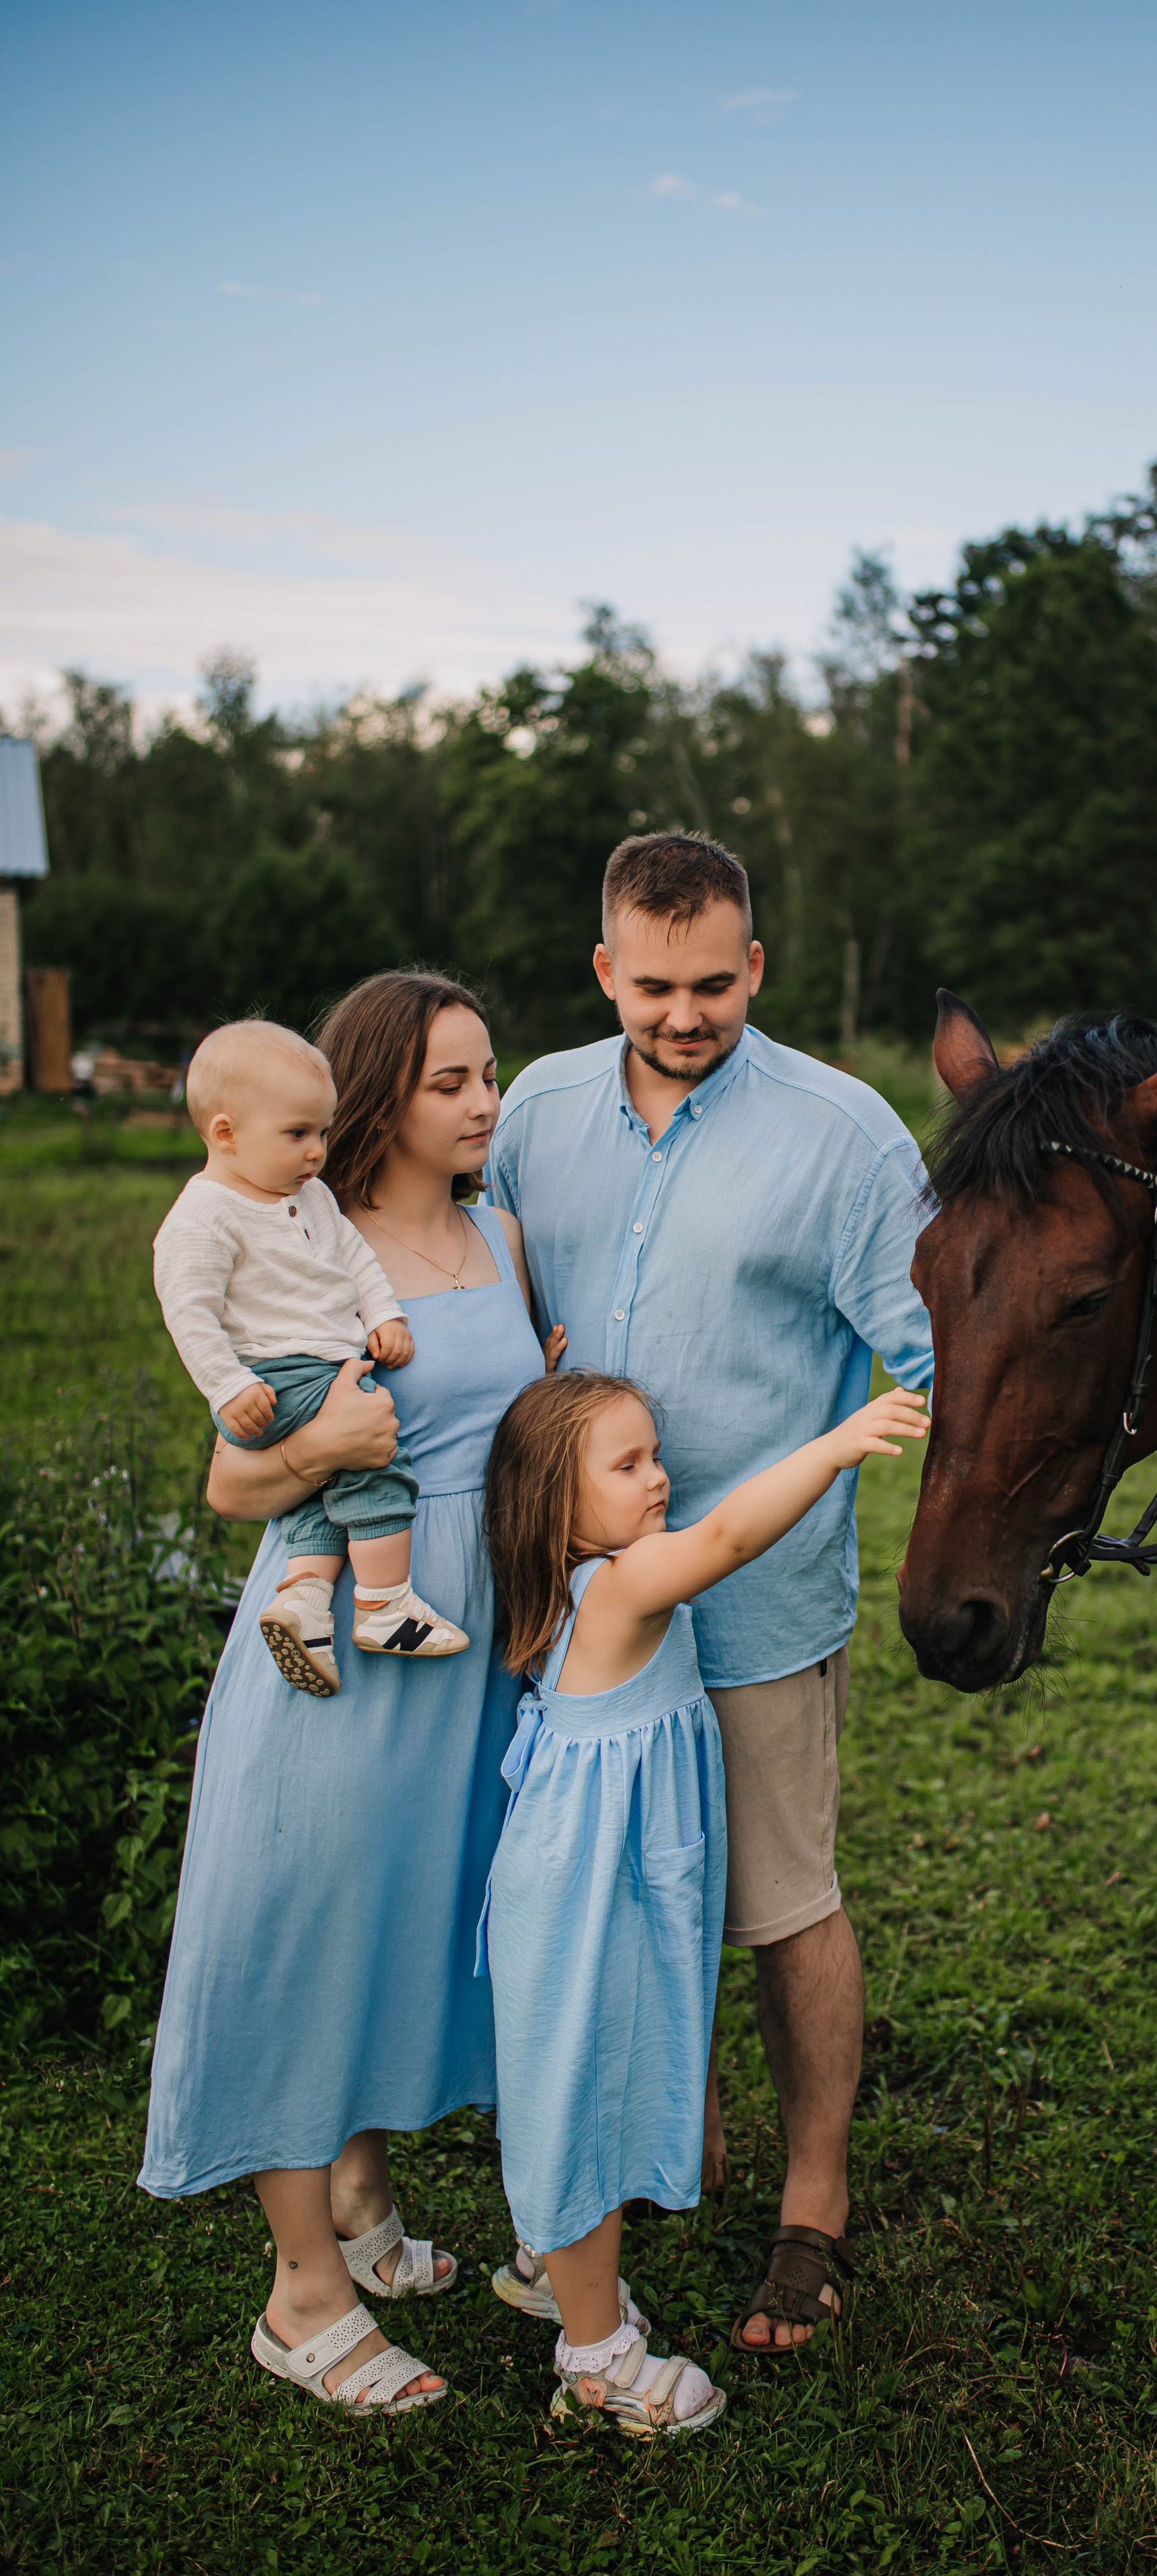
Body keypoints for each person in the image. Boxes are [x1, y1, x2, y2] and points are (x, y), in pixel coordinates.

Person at [486, 830, 934, 2355]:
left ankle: (814, 2203)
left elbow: (936, 1354)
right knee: (609, 1893)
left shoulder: (847, 1139)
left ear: (754, 964)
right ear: (604, 969)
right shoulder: (533, 1113)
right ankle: (679, 2133)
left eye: (712, 984)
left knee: (782, 1904)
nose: (683, 1015)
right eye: (652, 986)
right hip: (567, 1624)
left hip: (756, 1605)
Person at [139, 972, 558, 2415]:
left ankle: (364, 2198)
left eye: (489, 1074)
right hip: (338, 1649)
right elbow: (232, 1482)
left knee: (404, 1920)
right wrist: (329, 1447)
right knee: (307, 1932)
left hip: (470, 1644)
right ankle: (302, 2294)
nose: (485, 1102)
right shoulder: (305, 1240)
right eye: (452, 1081)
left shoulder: (500, 1234)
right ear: (381, 1094)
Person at [481, 1366, 927, 2435]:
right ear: (556, 1505)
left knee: (580, 2080)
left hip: (582, 1878)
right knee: (587, 2098)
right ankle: (595, 2361)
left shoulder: (572, 1584)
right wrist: (834, 1447)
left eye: (655, 1455)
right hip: (588, 1890)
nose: (659, 1477)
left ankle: (560, 2273)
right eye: (626, 1464)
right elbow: (726, 1537)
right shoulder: (622, 1586)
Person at [153, 1017, 468, 1697]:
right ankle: (384, 1604)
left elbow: (355, 1258)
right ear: (226, 1134)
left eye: (322, 1132)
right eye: (297, 1134)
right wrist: (226, 1385)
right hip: (276, 1376)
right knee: (376, 1458)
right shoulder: (205, 1216)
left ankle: (302, 1602)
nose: (317, 1151)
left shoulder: (311, 1197)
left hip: (317, 1365)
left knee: (322, 1498)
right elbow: (189, 1312)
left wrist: (382, 1314)